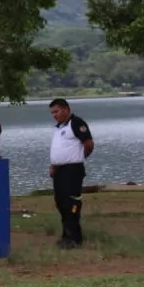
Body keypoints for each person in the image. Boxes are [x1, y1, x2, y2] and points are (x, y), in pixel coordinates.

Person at [48, 98, 94, 249]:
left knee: (72, 203)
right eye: (52, 112)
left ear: (66, 109)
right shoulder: (59, 127)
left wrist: (79, 158)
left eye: (57, 111)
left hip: (72, 170)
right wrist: (54, 165)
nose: (54, 115)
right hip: (59, 170)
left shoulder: (76, 123)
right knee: (60, 203)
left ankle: (75, 238)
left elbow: (88, 144)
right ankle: (66, 236)